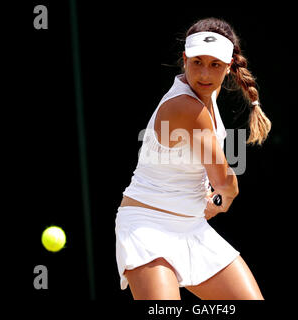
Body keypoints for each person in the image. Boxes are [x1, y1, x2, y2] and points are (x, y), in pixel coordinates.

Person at [115, 17, 271, 300]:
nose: (204, 73)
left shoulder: (206, 98)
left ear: (228, 67)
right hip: (147, 226)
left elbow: (218, 184)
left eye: (214, 64)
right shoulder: (186, 107)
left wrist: (216, 200)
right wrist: (222, 200)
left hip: (191, 226)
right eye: (197, 62)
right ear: (184, 59)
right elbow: (225, 183)